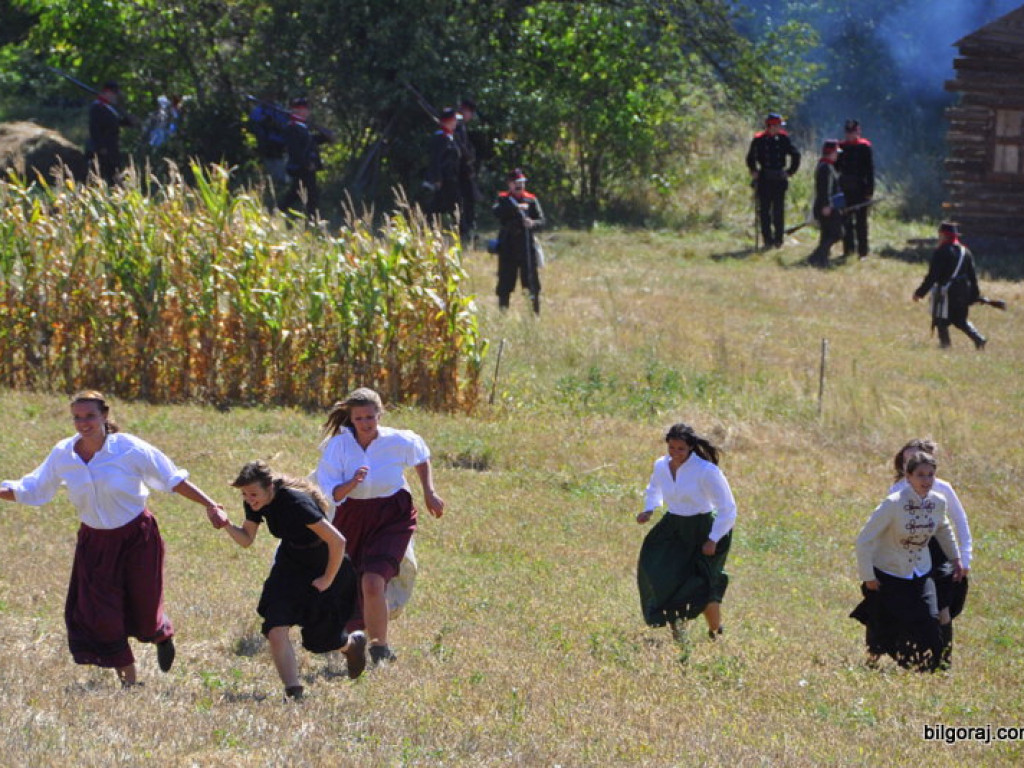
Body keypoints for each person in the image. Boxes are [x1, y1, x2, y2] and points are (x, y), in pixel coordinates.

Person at [0, 391, 228, 687]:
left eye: (90, 416)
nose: (83, 423)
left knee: (144, 608)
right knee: (102, 614)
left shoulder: (129, 449)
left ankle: (160, 633)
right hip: (94, 543)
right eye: (77, 417)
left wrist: (211, 505)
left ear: (105, 415)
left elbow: (172, 478)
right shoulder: (63, 454)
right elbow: (34, 487)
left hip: (137, 537)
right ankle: (130, 683)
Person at [315, 387, 445, 666]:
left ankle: (380, 648)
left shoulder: (398, 440)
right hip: (351, 517)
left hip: (391, 515)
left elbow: (421, 455)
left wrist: (429, 492)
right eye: (359, 418)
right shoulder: (338, 446)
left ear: (379, 415)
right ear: (351, 419)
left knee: (373, 581)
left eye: (370, 417)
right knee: (351, 584)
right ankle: (351, 639)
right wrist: (353, 482)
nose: (365, 424)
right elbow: (331, 492)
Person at [221, 461, 366, 699]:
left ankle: (352, 645)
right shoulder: (255, 501)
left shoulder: (296, 503)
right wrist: (225, 523)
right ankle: (294, 691)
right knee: (275, 627)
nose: (249, 499)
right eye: (245, 494)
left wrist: (328, 579)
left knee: (321, 640)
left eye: (253, 494)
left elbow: (337, 542)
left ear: (269, 487)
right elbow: (247, 539)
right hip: (291, 566)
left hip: (325, 564)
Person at [851, 451, 962, 672]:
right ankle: (875, 663)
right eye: (920, 475)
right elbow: (864, 540)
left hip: (921, 571)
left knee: (930, 621)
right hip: (889, 571)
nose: (926, 480)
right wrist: (868, 577)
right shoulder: (893, 503)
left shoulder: (938, 502)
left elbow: (943, 529)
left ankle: (929, 669)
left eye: (930, 475)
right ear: (908, 477)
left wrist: (956, 558)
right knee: (883, 621)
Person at [636, 423, 737, 643]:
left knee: (704, 584)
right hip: (673, 528)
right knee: (667, 578)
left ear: (690, 447)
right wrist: (649, 508)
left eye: (680, 448)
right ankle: (679, 637)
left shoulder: (706, 471)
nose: (675, 453)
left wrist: (713, 538)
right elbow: (655, 487)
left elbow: (728, 508)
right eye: (671, 448)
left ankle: (715, 633)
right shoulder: (661, 465)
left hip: (704, 531)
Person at [888, 439, 972, 666]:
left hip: (940, 552)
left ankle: (943, 662)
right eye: (907, 460)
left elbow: (960, 522)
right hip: (910, 552)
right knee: (915, 606)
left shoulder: (943, 488)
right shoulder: (897, 491)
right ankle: (914, 658)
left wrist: (964, 557)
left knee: (943, 608)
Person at [913, 221, 987, 350]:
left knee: (941, 319)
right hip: (963, 291)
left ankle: (945, 346)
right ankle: (978, 338)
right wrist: (975, 295)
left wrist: (920, 292)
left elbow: (933, 276)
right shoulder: (966, 252)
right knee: (960, 320)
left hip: (947, 292)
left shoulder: (941, 251)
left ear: (943, 235)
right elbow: (973, 277)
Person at [493, 168, 545, 315]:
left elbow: (542, 221)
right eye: (516, 183)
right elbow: (496, 212)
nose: (519, 186)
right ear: (509, 184)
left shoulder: (531, 199)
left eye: (522, 183)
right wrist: (514, 209)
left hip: (526, 247)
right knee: (505, 284)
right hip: (507, 247)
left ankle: (534, 316)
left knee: (531, 284)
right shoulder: (503, 199)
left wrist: (533, 224)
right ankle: (503, 315)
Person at [746, 113, 801, 249]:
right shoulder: (759, 139)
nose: (780, 128)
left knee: (778, 210)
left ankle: (778, 239)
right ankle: (767, 239)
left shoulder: (783, 139)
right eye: (778, 125)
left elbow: (795, 154)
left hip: (779, 177)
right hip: (764, 177)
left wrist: (790, 171)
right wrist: (754, 170)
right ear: (771, 126)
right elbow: (750, 157)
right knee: (764, 210)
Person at [280, 97, 330, 220]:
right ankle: (312, 218)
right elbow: (295, 150)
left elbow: (311, 141)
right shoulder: (292, 127)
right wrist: (307, 163)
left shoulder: (302, 126)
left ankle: (281, 211)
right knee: (304, 193)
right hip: (302, 167)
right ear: (299, 110)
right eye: (305, 109)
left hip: (308, 166)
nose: (308, 112)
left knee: (300, 193)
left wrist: (326, 135)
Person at [837, 119, 875, 259]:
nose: (850, 135)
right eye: (848, 132)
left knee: (861, 222)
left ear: (858, 132)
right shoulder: (841, 147)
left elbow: (870, 171)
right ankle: (848, 250)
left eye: (853, 132)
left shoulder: (864, 147)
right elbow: (837, 168)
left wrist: (869, 191)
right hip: (845, 188)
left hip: (860, 188)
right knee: (846, 221)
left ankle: (863, 251)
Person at [87, 80, 133, 185]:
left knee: (115, 176)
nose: (116, 97)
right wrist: (101, 147)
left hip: (112, 148)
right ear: (108, 93)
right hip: (103, 150)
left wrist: (129, 119)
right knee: (103, 177)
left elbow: (116, 122)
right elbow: (95, 129)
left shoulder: (110, 108)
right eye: (114, 94)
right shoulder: (97, 107)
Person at [808, 139, 844, 268]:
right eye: (835, 152)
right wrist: (827, 205)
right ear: (830, 152)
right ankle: (816, 257)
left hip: (827, 205)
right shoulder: (826, 168)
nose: (837, 155)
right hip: (827, 207)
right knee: (836, 233)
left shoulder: (825, 166)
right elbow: (825, 189)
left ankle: (821, 259)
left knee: (827, 234)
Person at [425, 106, 463, 228]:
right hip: (443, 179)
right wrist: (437, 178)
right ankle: (460, 229)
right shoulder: (440, 137)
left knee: (443, 204)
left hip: (451, 178)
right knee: (442, 205)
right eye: (454, 119)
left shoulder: (450, 136)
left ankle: (458, 227)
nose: (456, 122)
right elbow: (435, 159)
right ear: (449, 121)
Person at [454, 98, 481, 246]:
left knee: (469, 202)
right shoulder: (458, 127)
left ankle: (468, 228)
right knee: (463, 202)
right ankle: (464, 229)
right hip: (460, 172)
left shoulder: (460, 126)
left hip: (465, 170)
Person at [248, 95, 289, 189]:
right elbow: (254, 123)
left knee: (281, 162)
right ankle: (273, 184)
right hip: (266, 142)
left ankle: (282, 183)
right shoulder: (259, 110)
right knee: (270, 163)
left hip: (279, 142)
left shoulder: (279, 110)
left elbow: (285, 123)